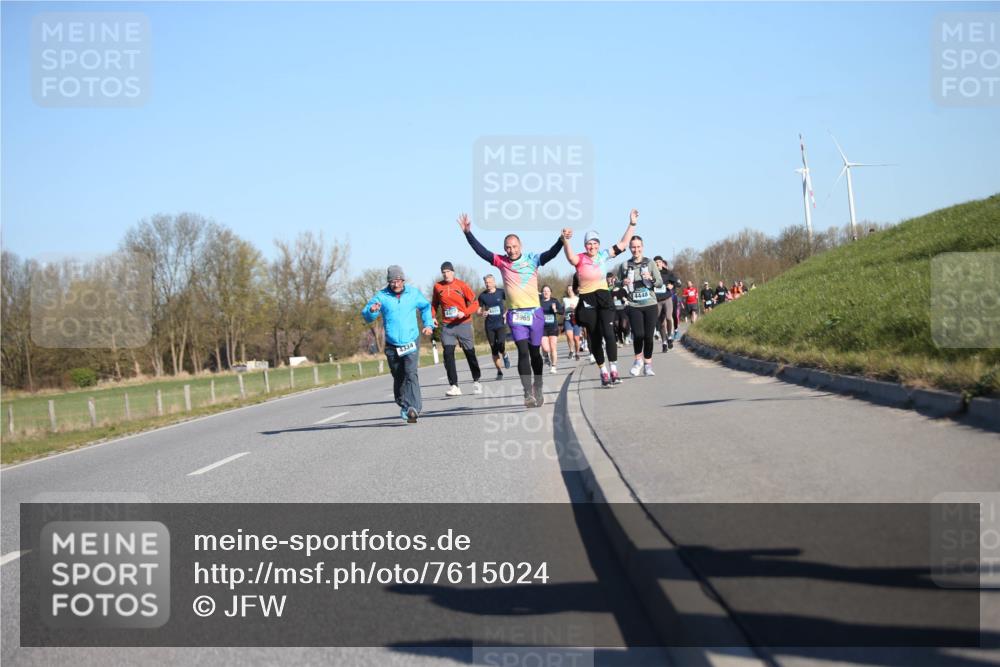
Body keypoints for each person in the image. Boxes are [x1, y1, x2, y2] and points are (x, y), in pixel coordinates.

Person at [458, 213, 563, 408]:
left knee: (535, 354)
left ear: (520, 246)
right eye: (508, 247)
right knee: (523, 352)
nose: (511, 250)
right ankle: (527, 393)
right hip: (516, 314)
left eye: (514, 247)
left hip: (535, 313)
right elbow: (482, 252)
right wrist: (468, 234)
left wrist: (561, 240)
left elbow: (550, 254)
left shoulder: (532, 259)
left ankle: (537, 386)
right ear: (504, 249)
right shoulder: (501, 262)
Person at [561, 209, 639, 387]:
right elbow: (570, 257)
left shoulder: (603, 255)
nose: (592, 246)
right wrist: (566, 241)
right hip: (587, 299)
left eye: (595, 243)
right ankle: (603, 371)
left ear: (598, 244)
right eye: (589, 244)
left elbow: (623, 244)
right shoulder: (580, 258)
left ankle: (614, 369)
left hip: (604, 297)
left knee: (609, 334)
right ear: (585, 245)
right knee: (595, 337)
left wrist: (632, 224)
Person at [361, 265, 435, 423]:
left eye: (398, 280)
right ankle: (403, 403)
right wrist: (372, 311)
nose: (396, 284)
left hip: (411, 340)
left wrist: (428, 324)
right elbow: (366, 315)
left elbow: (425, 307)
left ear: (403, 280)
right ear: (389, 282)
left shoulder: (413, 293)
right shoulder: (382, 296)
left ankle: (414, 408)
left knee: (411, 373)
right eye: (392, 281)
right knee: (398, 375)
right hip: (392, 343)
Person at [433, 262, 483, 396]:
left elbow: (475, 303)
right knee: (448, 354)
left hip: (463, 323)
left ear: (453, 272)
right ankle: (454, 385)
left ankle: (477, 380)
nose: (446, 274)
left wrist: (465, 312)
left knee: (469, 353)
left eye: (448, 271)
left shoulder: (462, 285)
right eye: (443, 272)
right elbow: (434, 304)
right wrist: (432, 317)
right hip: (447, 325)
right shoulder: (438, 287)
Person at [618, 236, 663, 376]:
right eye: (633, 247)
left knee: (649, 336)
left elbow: (660, 283)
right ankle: (638, 361)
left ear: (642, 247)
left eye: (638, 247)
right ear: (630, 248)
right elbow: (616, 283)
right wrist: (622, 283)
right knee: (638, 334)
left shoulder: (650, 263)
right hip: (633, 304)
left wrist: (651, 278)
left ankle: (648, 364)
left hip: (650, 304)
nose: (636, 249)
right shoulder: (624, 265)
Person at [477, 274, 510, 381]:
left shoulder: (501, 292)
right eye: (486, 282)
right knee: (494, 349)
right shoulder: (482, 296)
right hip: (489, 326)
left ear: (494, 282)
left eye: (490, 282)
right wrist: (482, 313)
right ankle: (499, 372)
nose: (488, 284)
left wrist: (506, 313)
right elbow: (478, 311)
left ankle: (505, 354)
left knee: (501, 344)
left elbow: (510, 303)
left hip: (500, 324)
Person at [653, 256, 679, 352]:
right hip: (657, 301)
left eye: (659, 262)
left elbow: (678, 282)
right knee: (661, 322)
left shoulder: (668, 273)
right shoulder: (651, 273)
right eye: (655, 262)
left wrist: (672, 285)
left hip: (667, 299)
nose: (657, 264)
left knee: (669, 317)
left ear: (662, 262)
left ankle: (670, 336)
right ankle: (664, 342)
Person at [608, 273, 631, 347]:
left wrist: (625, 300)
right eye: (612, 281)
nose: (613, 283)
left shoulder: (622, 290)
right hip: (615, 311)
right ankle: (620, 340)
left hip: (623, 309)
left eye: (614, 281)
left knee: (623, 325)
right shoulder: (610, 292)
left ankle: (626, 335)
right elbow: (609, 302)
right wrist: (612, 301)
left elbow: (627, 298)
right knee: (617, 325)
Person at [562, 285, 582, 361]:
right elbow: (562, 309)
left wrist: (575, 308)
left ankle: (577, 353)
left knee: (576, 339)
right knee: (569, 337)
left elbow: (581, 309)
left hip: (576, 320)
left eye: (571, 289)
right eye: (568, 289)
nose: (570, 291)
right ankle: (571, 351)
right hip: (568, 320)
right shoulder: (565, 299)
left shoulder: (578, 299)